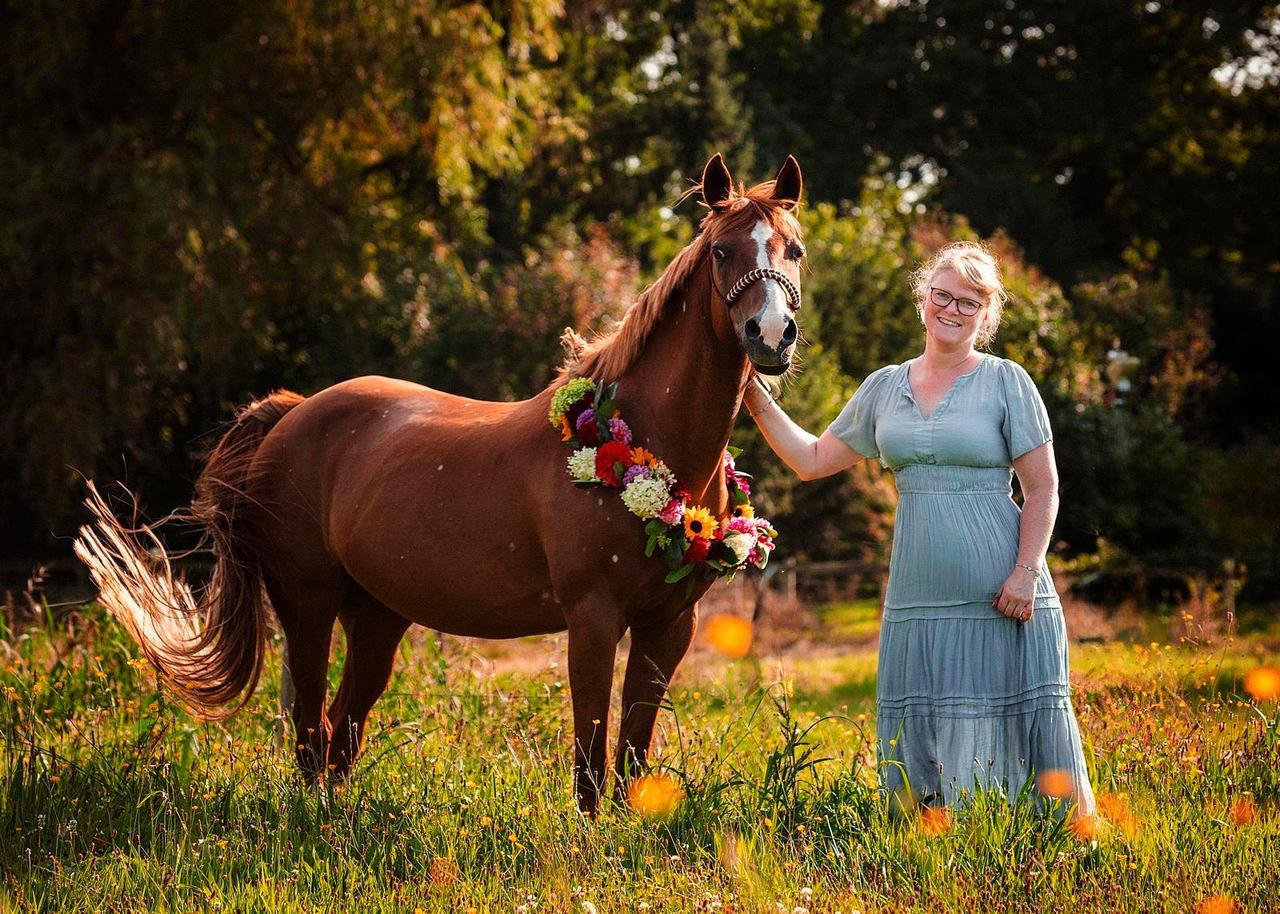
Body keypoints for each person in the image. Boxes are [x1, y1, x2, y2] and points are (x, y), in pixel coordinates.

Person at [744, 241, 1096, 819]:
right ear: (922, 299)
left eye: (968, 301)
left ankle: (1036, 840)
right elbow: (810, 460)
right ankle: (935, 836)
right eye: (941, 295)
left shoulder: (1008, 383)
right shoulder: (884, 387)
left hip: (1002, 590)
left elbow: (1043, 488)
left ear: (987, 315)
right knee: (926, 717)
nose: (951, 309)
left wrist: (1025, 573)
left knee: (1008, 716)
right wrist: (752, 395)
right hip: (917, 595)